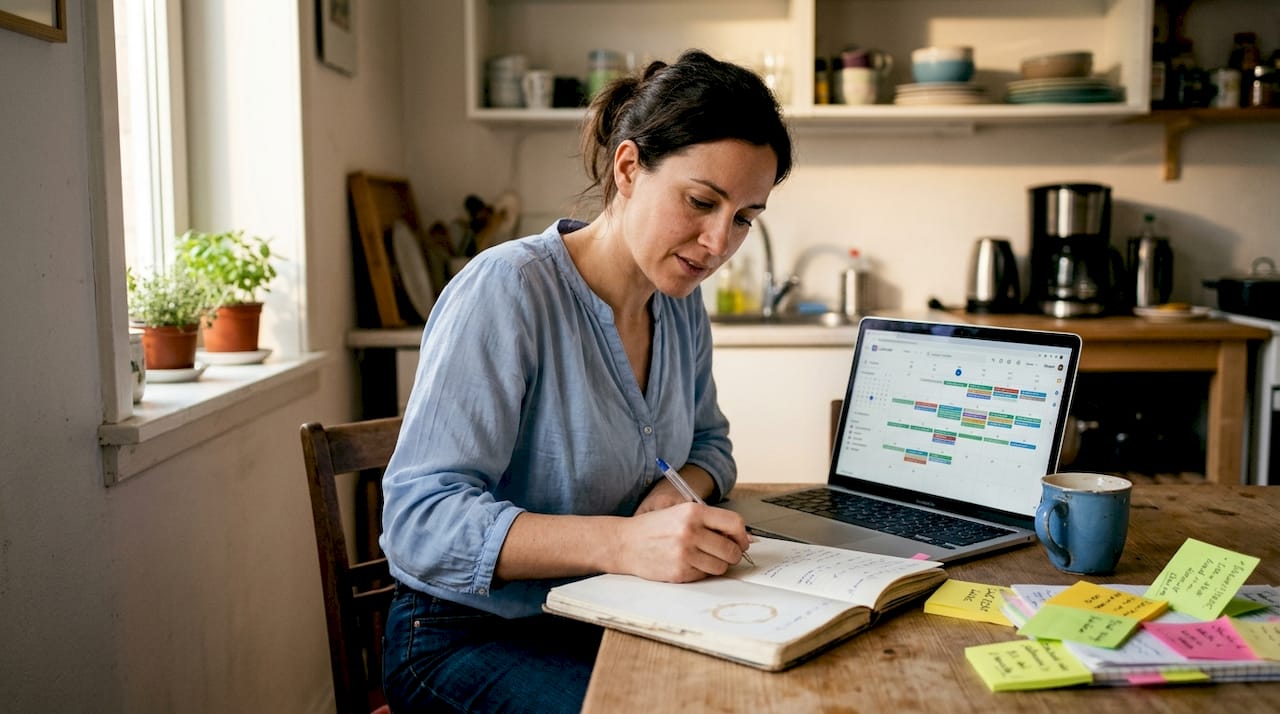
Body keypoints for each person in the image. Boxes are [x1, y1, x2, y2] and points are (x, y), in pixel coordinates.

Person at [380, 48, 794, 713]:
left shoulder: (680, 303)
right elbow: (418, 522)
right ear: (628, 168)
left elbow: (712, 445)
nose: (719, 243)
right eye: (701, 201)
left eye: (744, 217)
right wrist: (627, 542)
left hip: (607, 613)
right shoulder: (507, 290)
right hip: (464, 636)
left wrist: (669, 495)